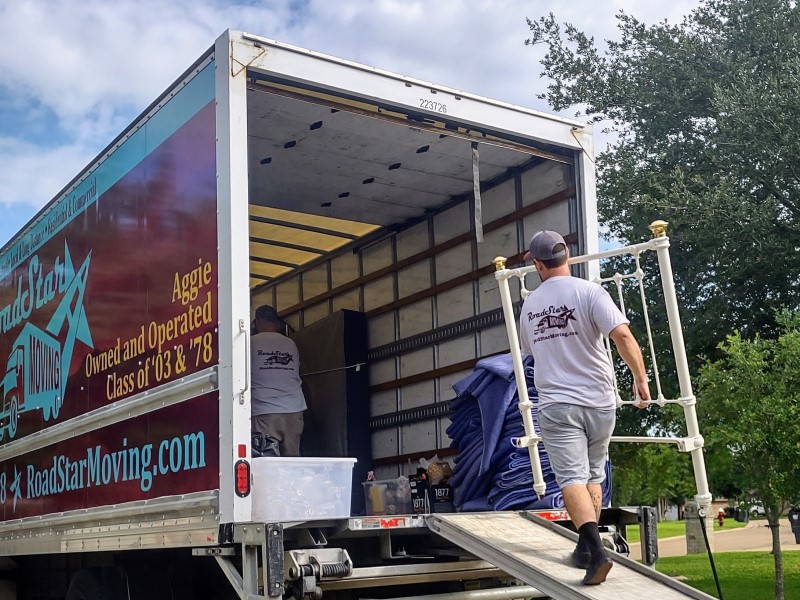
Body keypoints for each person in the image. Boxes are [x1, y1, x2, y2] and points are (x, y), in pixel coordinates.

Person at [518, 231, 651, 586]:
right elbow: (623, 335)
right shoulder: (590, 291)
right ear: (566, 256)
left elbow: (529, 352)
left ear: (537, 264)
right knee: (593, 474)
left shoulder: (530, 305)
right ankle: (583, 548)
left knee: (571, 479)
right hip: (600, 402)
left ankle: (596, 553)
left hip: (559, 404)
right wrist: (640, 379)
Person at [250, 304, 307, 456]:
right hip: (294, 411)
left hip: (265, 412)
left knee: (267, 461)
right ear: (276, 322)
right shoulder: (290, 343)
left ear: (257, 321)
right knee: (291, 463)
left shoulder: (250, 343)